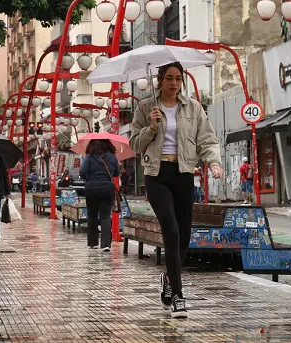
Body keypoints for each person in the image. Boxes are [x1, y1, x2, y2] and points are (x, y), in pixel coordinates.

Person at [130, 62, 223, 319]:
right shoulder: (146, 107)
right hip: (157, 175)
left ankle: (169, 279)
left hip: (184, 173)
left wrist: (213, 162)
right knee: (170, 231)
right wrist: (151, 127)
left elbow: (207, 139)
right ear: (159, 80)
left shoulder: (193, 107)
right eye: (169, 78)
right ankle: (179, 296)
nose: (173, 83)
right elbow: (135, 145)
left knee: (184, 235)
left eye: (178, 78)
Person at [80, 139, 120, 252]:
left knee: (92, 216)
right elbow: (116, 173)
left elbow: (82, 173)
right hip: (107, 189)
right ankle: (106, 244)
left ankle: (93, 243)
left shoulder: (89, 157)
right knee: (105, 216)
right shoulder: (112, 156)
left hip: (91, 189)